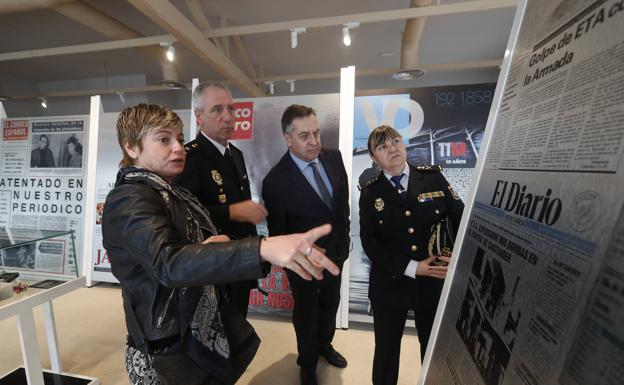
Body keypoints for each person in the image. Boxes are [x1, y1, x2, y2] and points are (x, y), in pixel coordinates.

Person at [102, 104, 339, 385]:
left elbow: (175, 246)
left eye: (179, 138)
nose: (178, 147)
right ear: (131, 147)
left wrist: (207, 243)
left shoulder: (167, 190)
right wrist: (261, 248)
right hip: (166, 350)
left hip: (191, 333)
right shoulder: (130, 198)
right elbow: (168, 263)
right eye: (164, 139)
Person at [358, 125, 464, 385]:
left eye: (395, 141)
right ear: (374, 157)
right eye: (382, 146)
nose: (392, 148)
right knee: (386, 353)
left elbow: (461, 217)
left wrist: (455, 255)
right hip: (390, 285)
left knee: (433, 351)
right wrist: (412, 267)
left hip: (432, 282)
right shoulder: (370, 193)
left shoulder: (433, 178)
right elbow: (370, 242)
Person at [262, 104, 350, 385]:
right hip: (304, 265)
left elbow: (341, 206)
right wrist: (299, 260)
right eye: (304, 136)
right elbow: (278, 233)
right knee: (307, 313)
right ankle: (307, 362)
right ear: (288, 138)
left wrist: (343, 241)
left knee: (330, 303)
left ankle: (325, 345)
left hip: (336, 254)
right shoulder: (275, 181)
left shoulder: (334, 158)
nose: (314, 141)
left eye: (316, 132)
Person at [176, 81, 266, 318]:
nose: (228, 117)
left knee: (238, 329)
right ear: (199, 117)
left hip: (240, 260)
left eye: (231, 109)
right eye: (217, 110)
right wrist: (232, 211)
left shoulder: (235, 155)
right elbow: (185, 215)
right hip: (211, 266)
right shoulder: (190, 158)